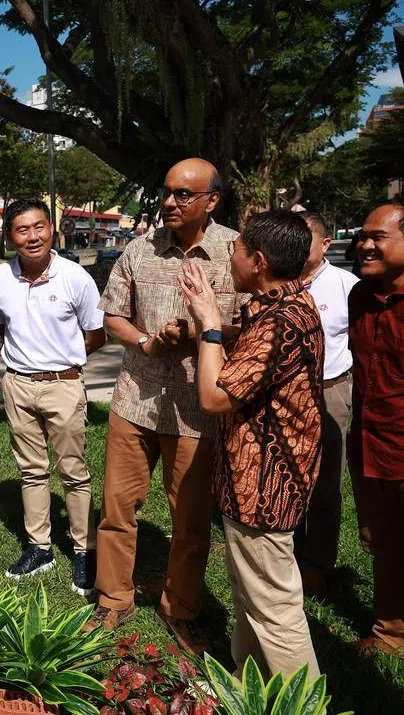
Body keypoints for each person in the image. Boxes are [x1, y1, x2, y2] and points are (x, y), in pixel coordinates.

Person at [87, 158, 247, 655]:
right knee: (117, 508)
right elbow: (113, 317)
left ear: (211, 201)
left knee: (191, 520)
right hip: (135, 401)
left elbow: (253, 321)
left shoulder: (237, 252)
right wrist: (147, 342)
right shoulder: (139, 248)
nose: (170, 202)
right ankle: (113, 598)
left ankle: (181, 609)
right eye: (167, 192)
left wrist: (203, 332)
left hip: (197, 410)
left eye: (184, 194)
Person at [179, 210, 322, 679]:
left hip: (265, 488)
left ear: (257, 261)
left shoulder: (280, 322)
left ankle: (302, 704)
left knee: (276, 611)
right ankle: (250, 684)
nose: (229, 255)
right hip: (252, 484)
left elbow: (214, 396)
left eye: (235, 250)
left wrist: (209, 325)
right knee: (250, 597)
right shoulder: (281, 307)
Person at [0, 199, 106, 595]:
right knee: (31, 470)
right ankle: (40, 547)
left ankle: (84, 550)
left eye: (39, 227)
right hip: (17, 385)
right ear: (10, 237)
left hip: (64, 385)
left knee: (73, 471)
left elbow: (97, 333)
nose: (32, 236)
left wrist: (64, 364)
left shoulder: (75, 278)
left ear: (51, 229)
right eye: (23, 230)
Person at [347, 200, 404, 657]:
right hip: (369, 444)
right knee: (383, 542)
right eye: (362, 235)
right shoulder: (360, 297)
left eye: (377, 237)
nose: (363, 244)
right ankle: (390, 632)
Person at [293, 212, 359, 595]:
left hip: (329, 393)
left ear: (325, 243)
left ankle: (317, 565)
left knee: (325, 481)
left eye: (306, 238)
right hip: (283, 395)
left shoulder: (346, 286)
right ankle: (286, 554)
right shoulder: (278, 281)